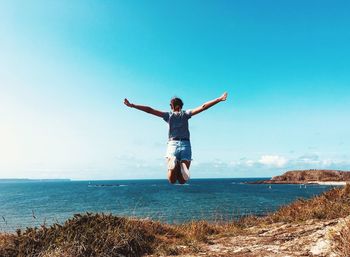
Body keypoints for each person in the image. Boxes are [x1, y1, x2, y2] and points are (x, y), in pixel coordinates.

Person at [124, 92, 228, 184]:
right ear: (181, 106)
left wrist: (132, 105)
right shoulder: (186, 114)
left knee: (172, 180)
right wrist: (218, 99)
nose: (169, 106)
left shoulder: (168, 115)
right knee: (183, 181)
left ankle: (173, 161)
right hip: (186, 145)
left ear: (173, 106)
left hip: (172, 145)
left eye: (170, 105)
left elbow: (149, 110)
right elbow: (203, 107)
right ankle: (182, 164)